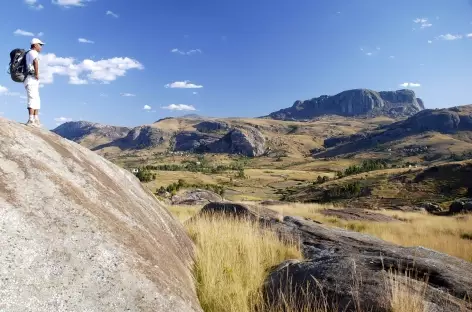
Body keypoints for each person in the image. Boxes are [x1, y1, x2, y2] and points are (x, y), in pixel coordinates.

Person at [24, 38, 45, 127]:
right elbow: (35, 62)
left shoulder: (32, 53)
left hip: (32, 79)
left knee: (36, 98)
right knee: (32, 98)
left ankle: (36, 119)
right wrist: (36, 74)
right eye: (40, 45)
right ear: (35, 45)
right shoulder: (32, 52)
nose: (41, 47)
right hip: (31, 78)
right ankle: (31, 119)